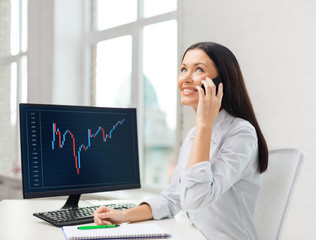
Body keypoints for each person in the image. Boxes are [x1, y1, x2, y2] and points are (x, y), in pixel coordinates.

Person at [93, 42, 268, 240]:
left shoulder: (241, 133)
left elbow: (194, 200)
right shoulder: (194, 135)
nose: (185, 78)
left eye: (199, 69)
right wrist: (123, 215)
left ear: (221, 83)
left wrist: (204, 125)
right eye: (183, 69)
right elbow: (172, 199)